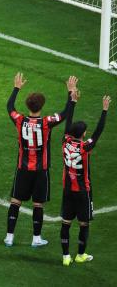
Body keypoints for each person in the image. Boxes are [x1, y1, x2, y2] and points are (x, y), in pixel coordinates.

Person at [4, 73, 76, 247]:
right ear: (42, 105)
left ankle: (9, 236)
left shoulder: (20, 120)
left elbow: (10, 107)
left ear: (28, 105)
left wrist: (16, 88)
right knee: (38, 204)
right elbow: (65, 114)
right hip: (40, 169)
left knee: (16, 201)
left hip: (22, 168)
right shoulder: (46, 122)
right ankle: (36, 238)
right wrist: (70, 94)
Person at [60, 92, 109, 266]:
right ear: (83, 134)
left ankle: (66, 256)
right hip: (83, 191)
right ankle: (80, 254)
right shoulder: (85, 147)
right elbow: (98, 132)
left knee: (65, 223)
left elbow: (68, 123)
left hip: (67, 189)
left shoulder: (65, 141)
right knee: (83, 224)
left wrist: (72, 101)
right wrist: (104, 110)